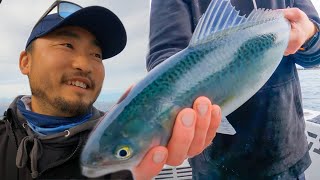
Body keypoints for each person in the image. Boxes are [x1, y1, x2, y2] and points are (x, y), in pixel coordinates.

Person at [0, 1, 222, 179]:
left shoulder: (121, 147)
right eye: (67, 45)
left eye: (96, 55)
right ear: (25, 62)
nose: (85, 65)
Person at [147, 0, 320, 179]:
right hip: (215, 167)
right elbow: (165, 54)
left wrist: (309, 33)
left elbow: (316, 53)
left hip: (287, 155)